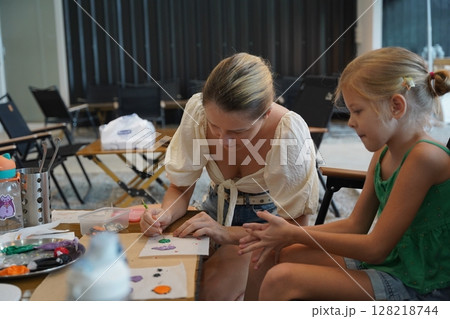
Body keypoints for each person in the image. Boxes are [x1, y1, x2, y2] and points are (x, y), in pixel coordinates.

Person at [239, 47, 450, 301]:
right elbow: (355, 225)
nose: (350, 121)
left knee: (281, 279)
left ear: (396, 106)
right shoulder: (383, 153)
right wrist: (286, 234)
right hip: (397, 262)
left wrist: (294, 233)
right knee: (277, 253)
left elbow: (375, 249)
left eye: (357, 111)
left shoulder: (424, 157)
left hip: (423, 285)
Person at [139, 52, 319, 300]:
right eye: (215, 126)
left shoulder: (287, 131)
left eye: (238, 131)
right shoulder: (197, 111)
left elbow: (296, 229)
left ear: (265, 114)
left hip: (265, 229)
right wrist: (164, 214)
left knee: (207, 293)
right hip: (211, 212)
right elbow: (180, 187)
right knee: (166, 286)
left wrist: (226, 233)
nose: (223, 141)